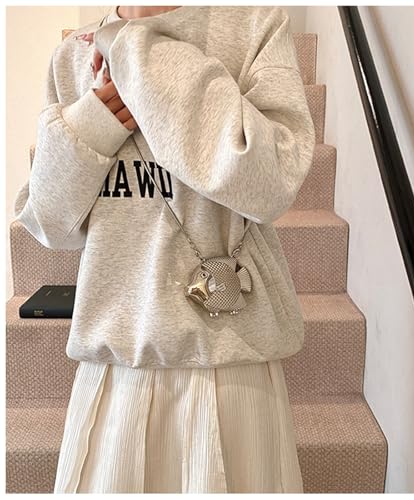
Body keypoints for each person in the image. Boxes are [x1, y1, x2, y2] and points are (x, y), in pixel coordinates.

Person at [14, 4, 316, 494]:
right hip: (117, 367)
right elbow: (51, 226)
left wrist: (137, 50)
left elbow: (272, 183)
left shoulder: (254, 25)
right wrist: (94, 120)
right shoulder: (73, 57)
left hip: (231, 366)